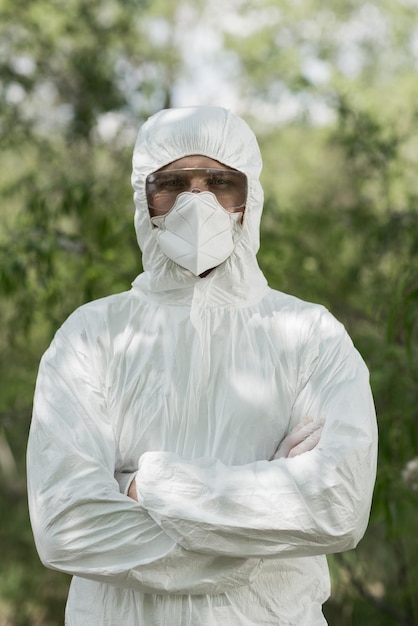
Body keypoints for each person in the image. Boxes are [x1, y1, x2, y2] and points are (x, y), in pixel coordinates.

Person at [27, 105, 378, 626]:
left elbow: (337, 509)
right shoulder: (92, 336)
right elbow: (66, 526)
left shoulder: (310, 336)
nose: (198, 202)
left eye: (219, 181)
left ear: (248, 197)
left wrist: (148, 486)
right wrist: (267, 512)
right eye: (172, 183)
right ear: (144, 201)